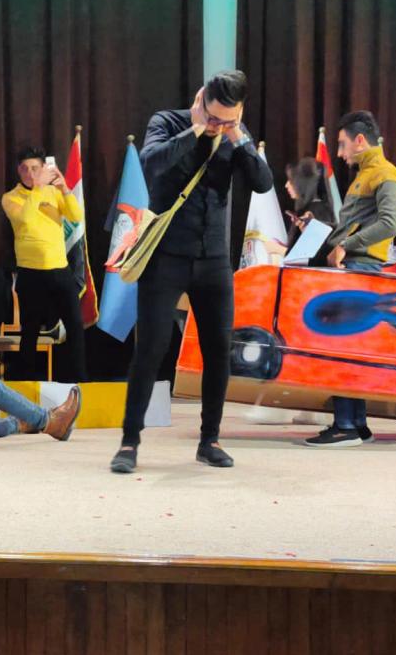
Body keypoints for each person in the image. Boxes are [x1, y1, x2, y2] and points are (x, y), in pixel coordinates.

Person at [109, 70, 274, 473]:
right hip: (166, 255)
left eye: (228, 120)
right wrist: (196, 130)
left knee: (218, 350)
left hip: (214, 259)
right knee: (151, 348)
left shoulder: (235, 133)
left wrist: (239, 138)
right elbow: (150, 163)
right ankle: (129, 442)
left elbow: (263, 182)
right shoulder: (168, 122)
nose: (219, 125)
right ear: (201, 100)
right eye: (214, 117)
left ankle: (209, 440)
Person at [306, 110, 396, 448]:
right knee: (349, 346)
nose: (339, 153)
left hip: (362, 269)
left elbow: (390, 224)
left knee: (343, 347)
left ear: (360, 141)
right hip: (354, 267)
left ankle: (346, 425)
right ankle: (356, 424)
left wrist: (346, 245)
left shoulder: (385, 174)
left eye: (342, 144)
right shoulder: (367, 174)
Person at [1, 146, 87, 382]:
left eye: (35, 168)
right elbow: (26, 220)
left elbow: (76, 216)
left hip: (60, 270)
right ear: (18, 171)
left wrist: (64, 189)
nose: (30, 173)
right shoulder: (10, 197)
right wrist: (39, 188)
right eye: (25, 169)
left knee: (75, 325)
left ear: (43, 168)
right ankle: (26, 383)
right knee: (29, 331)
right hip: (31, 273)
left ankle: (79, 380)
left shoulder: (53, 192)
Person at [284, 156, 336, 249]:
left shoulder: (317, 211)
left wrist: (278, 249)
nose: (286, 185)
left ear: (302, 183)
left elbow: (313, 251)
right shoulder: (311, 208)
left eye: (291, 181)